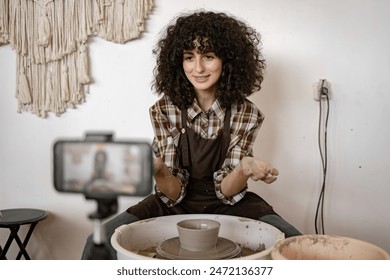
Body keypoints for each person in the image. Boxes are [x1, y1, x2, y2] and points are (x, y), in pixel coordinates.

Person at [81, 10, 300, 260]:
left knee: (296, 242)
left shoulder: (246, 113)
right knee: (98, 240)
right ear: (178, 61)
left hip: (230, 201)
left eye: (208, 56)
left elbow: (227, 191)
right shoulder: (165, 110)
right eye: (189, 57)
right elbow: (173, 193)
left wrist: (245, 168)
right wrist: (159, 169)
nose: (197, 68)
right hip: (174, 199)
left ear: (227, 61)